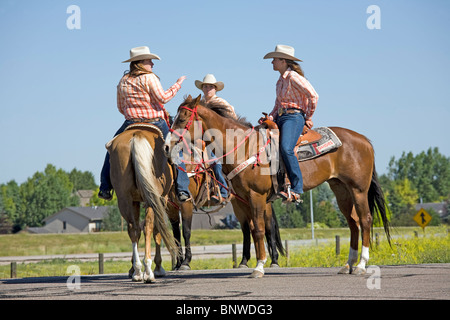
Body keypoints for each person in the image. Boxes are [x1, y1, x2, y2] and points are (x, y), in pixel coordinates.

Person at [98, 46, 191, 202]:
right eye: (149, 61)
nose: (152, 64)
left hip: (130, 123)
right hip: (155, 122)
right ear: (140, 62)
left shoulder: (123, 81)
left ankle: (105, 187)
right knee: (176, 150)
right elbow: (163, 98)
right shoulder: (150, 77)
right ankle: (182, 189)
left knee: (111, 149)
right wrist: (178, 84)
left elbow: (121, 107)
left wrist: (133, 114)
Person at [260, 45, 319, 202]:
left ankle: (297, 187)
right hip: (281, 117)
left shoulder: (293, 77)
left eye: (275, 59)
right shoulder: (280, 81)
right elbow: (278, 104)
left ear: (283, 61)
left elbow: (313, 95)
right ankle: (275, 184)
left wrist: (308, 117)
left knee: (286, 148)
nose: (272, 62)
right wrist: (270, 117)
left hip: (294, 117)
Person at [195, 74, 235, 204]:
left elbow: (232, 117)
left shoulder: (220, 102)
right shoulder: (200, 105)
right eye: (205, 86)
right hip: (204, 140)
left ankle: (223, 191)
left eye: (210, 87)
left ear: (215, 89)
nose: (208, 89)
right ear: (202, 88)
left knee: (214, 161)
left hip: (219, 140)